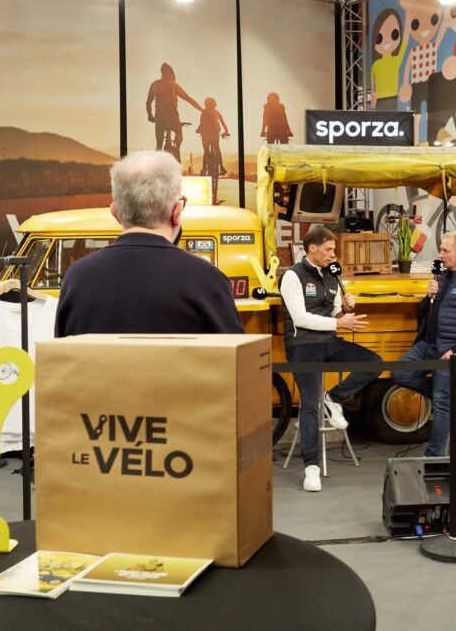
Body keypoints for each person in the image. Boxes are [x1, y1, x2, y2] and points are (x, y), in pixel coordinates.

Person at [56, 151, 242, 337]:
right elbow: (236, 352)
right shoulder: (207, 279)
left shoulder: (77, 278)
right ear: (177, 211)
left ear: (115, 213)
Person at [279, 226, 382, 492]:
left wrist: (345, 309)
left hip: (328, 342)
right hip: (302, 345)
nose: (333, 255)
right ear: (312, 248)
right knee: (309, 404)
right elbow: (300, 319)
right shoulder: (292, 276)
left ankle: (333, 398)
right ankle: (311, 467)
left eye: (333, 250)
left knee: (374, 363)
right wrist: (339, 323)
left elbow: (335, 314)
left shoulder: (331, 274)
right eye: (328, 249)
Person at [393, 231, 456, 457]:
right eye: (441, 250)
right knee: (400, 373)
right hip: (429, 344)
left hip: (452, 351)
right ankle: (451, 398)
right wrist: (427, 297)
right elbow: (424, 313)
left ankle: (433, 456)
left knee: (441, 403)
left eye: (445, 251)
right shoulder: (444, 277)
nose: (440, 254)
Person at [146, 63, 204, 160]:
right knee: (179, 132)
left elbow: (148, 102)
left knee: (159, 142)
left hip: (159, 116)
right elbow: (188, 99)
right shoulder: (173, 85)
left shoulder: (154, 84)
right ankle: (177, 150)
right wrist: (202, 110)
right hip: (172, 115)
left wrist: (150, 115)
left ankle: (156, 163)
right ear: (171, 74)